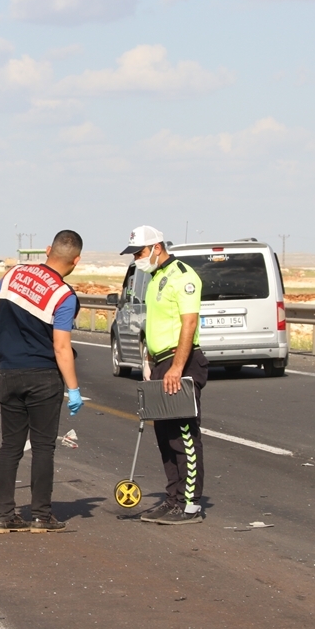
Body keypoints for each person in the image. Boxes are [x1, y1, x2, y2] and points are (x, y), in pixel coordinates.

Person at [0, 230, 83, 534]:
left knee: (10, 445)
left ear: (47, 249)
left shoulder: (15, 274)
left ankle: (4, 515)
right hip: (43, 376)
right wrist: (74, 388)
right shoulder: (64, 296)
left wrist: (13, 334)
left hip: (9, 371)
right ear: (76, 261)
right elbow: (61, 347)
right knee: (42, 447)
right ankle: (41, 515)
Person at [121, 225, 208, 526]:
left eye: (140, 252)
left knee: (183, 435)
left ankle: (190, 504)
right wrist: (148, 358)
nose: (137, 258)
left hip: (179, 362)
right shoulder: (155, 277)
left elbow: (188, 323)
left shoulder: (183, 276)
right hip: (160, 363)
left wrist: (176, 367)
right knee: (164, 436)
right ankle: (173, 498)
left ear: (157, 247)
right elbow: (155, 322)